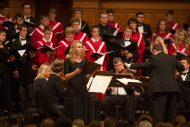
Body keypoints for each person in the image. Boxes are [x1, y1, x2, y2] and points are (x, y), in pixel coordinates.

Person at [126, 43, 184, 125]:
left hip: (160, 89)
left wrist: (130, 66)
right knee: (171, 114)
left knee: (158, 114)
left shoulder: (154, 58)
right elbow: (181, 67)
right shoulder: (172, 58)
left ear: (155, 51)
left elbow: (144, 65)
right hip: (173, 89)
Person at [102, 57, 140, 126]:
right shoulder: (110, 73)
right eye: (116, 66)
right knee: (105, 101)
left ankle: (129, 122)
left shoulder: (128, 73)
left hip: (125, 96)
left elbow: (133, 87)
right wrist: (109, 87)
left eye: (120, 65)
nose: (118, 67)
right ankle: (110, 120)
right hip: (113, 96)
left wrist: (130, 84)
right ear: (114, 66)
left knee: (130, 100)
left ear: (123, 64)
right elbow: (105, 86)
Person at [64, 40, 89, 121]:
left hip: (82, 87)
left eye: (81, 47)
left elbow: (86, 75)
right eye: (79, 47)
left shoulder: (85, 60)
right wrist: (75, 72)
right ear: (74, 49)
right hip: (72, 89)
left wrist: (91, 74)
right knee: (75, 110)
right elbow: (66, 76)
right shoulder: (68, 61)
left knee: (83, 109)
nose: (81, 49)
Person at [0, 29, 12, 113]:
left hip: (6, 70)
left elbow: (7, 58)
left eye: (5, 35)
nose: (4, 37)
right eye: (2, 35)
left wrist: (11, 59)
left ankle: (4, 107)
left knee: (6, 88)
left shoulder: (5, 46)